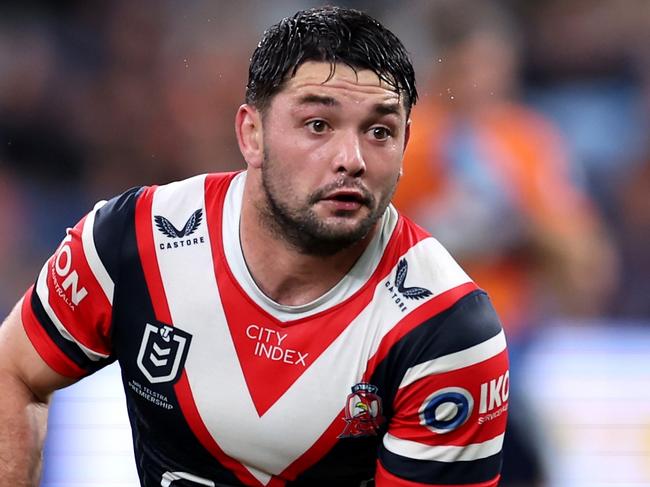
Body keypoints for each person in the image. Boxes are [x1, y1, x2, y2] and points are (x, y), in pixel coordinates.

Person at [0, 7, 508, 487]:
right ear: (252, 134)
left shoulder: (445, 329)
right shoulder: (134, 239)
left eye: (380, 131)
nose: (351, 159)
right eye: (318, 125)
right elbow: (14, 370)